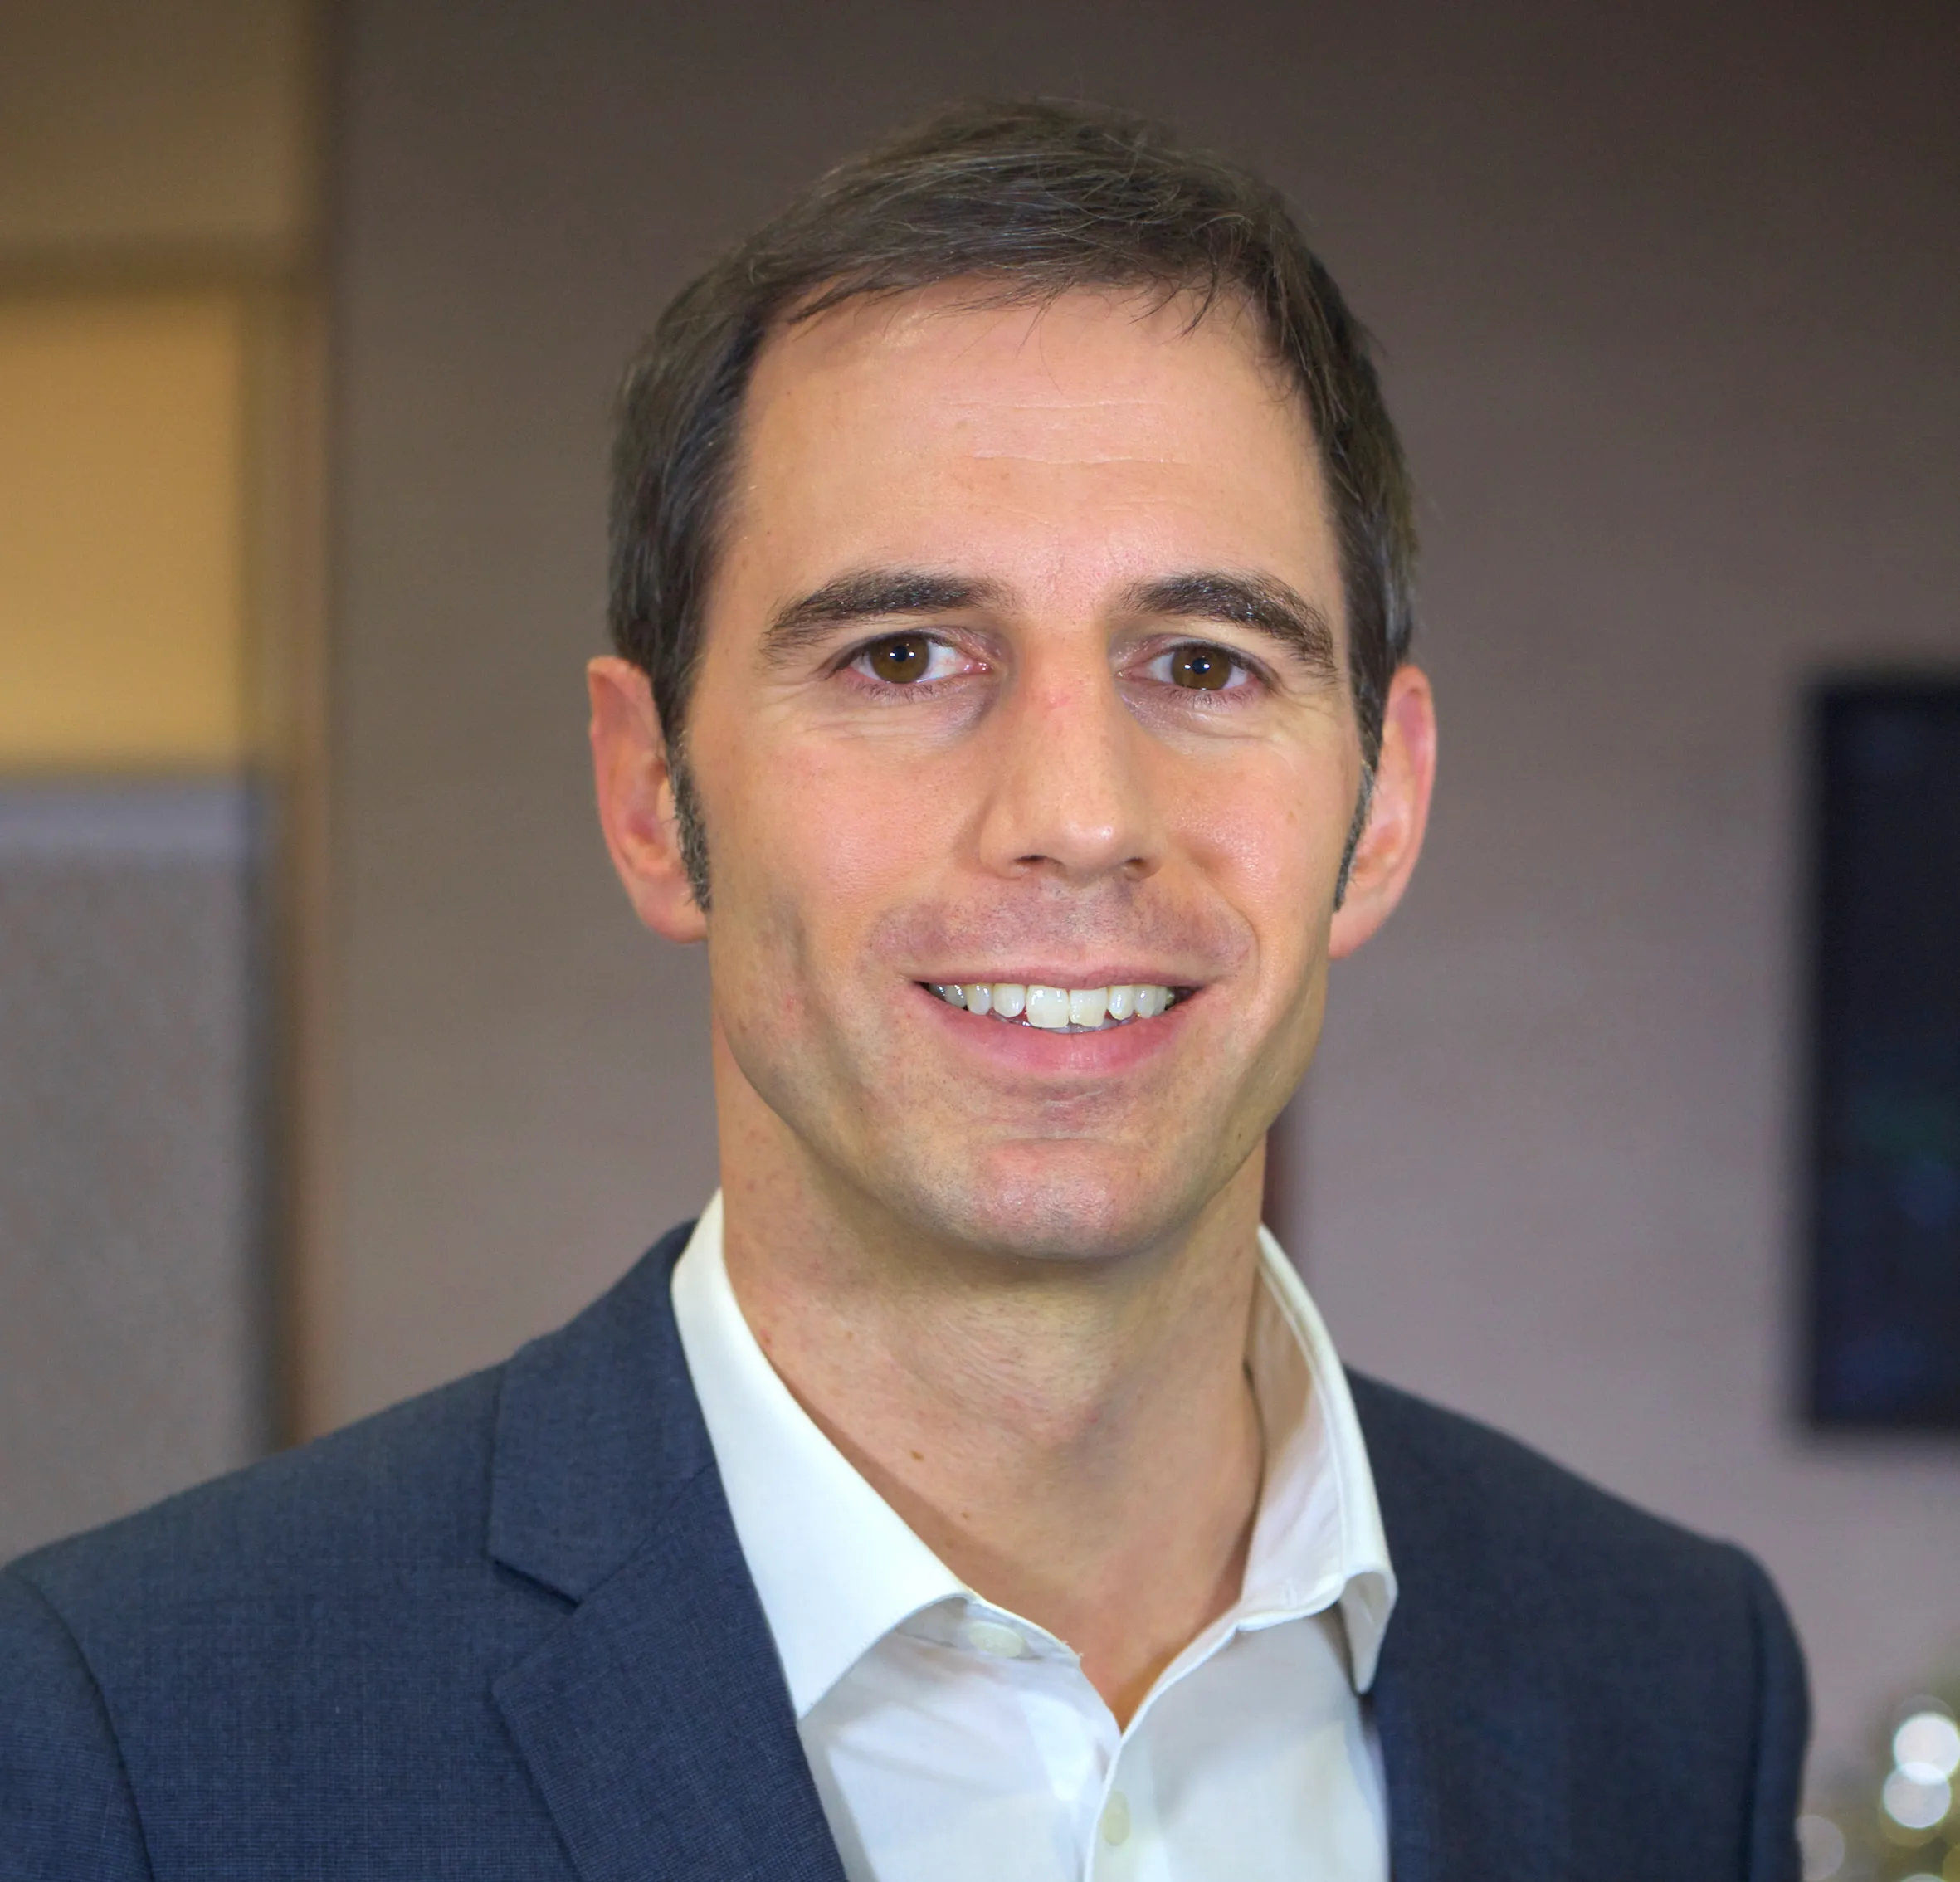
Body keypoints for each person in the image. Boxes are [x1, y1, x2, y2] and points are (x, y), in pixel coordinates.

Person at [0, 100, 1805, 1881]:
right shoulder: (139, 1738)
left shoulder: (1664, 1683)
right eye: (903, 657)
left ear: (1384, 798)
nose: (1078, 817)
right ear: (649, 796)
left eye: (1200, 660)